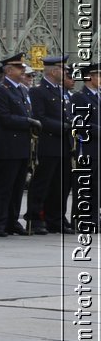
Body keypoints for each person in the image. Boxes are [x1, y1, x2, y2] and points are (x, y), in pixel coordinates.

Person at [0, 53, 39, 237]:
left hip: (21, 145)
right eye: (19, 68)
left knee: (17, 187)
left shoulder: (21, 90)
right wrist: (28, 121)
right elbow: (4, 118)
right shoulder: (1, 89)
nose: (23, 70)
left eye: (23, 67)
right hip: (7, 145)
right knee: (3, 186)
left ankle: (12, 220)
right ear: (8, 70)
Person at [27, 54, 68, 234]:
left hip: (64, 144)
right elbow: (40, 117)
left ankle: (55, 218)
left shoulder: (62, 91)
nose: (65, 72)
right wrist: (64, 126)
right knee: (42, 184)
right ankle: (35, 219)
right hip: (48, 143)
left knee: (60, 185)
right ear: (53, 71)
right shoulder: (38, 91)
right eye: (62, 68)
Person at [72, 62, 99, 233]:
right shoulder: (79, 97)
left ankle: (95, 219)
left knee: (97, 187)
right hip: (88, 148)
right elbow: (81, 123)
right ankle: (82, 219)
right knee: (86, 186)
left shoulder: (98, 96)